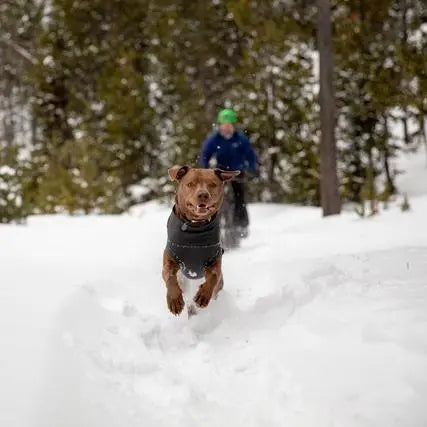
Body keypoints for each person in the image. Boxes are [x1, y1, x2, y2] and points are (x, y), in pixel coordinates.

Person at [199, 108, 258, 235]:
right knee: (213, 198)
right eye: (224, 125)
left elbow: (250, 155)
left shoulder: (240, 139)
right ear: (220, 126)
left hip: (237, 172)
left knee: (239, 197)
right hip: (219, 173)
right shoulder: (214, 139)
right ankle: (210, 225)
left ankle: (241, 225)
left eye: (229, 125)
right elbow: (205, 154)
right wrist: (204, 169)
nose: (226, 128)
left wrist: (252, 168)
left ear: (233, 126)